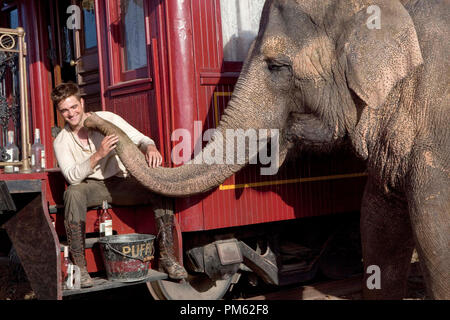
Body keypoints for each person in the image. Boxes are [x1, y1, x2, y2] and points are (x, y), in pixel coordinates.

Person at [51, 82, 187, 287]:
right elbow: (72, 177)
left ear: (81, 102)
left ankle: (168, 258)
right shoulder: (61, 140)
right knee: (73, 193)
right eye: (65, 110)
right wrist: (98, 155)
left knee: (159, 187)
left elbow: (140, 138)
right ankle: (81, 268)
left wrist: (150, 147)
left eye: (73, 107)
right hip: (92, 186)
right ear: (60, 113)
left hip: (121, 182)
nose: (71, 113)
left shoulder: (107, 119)